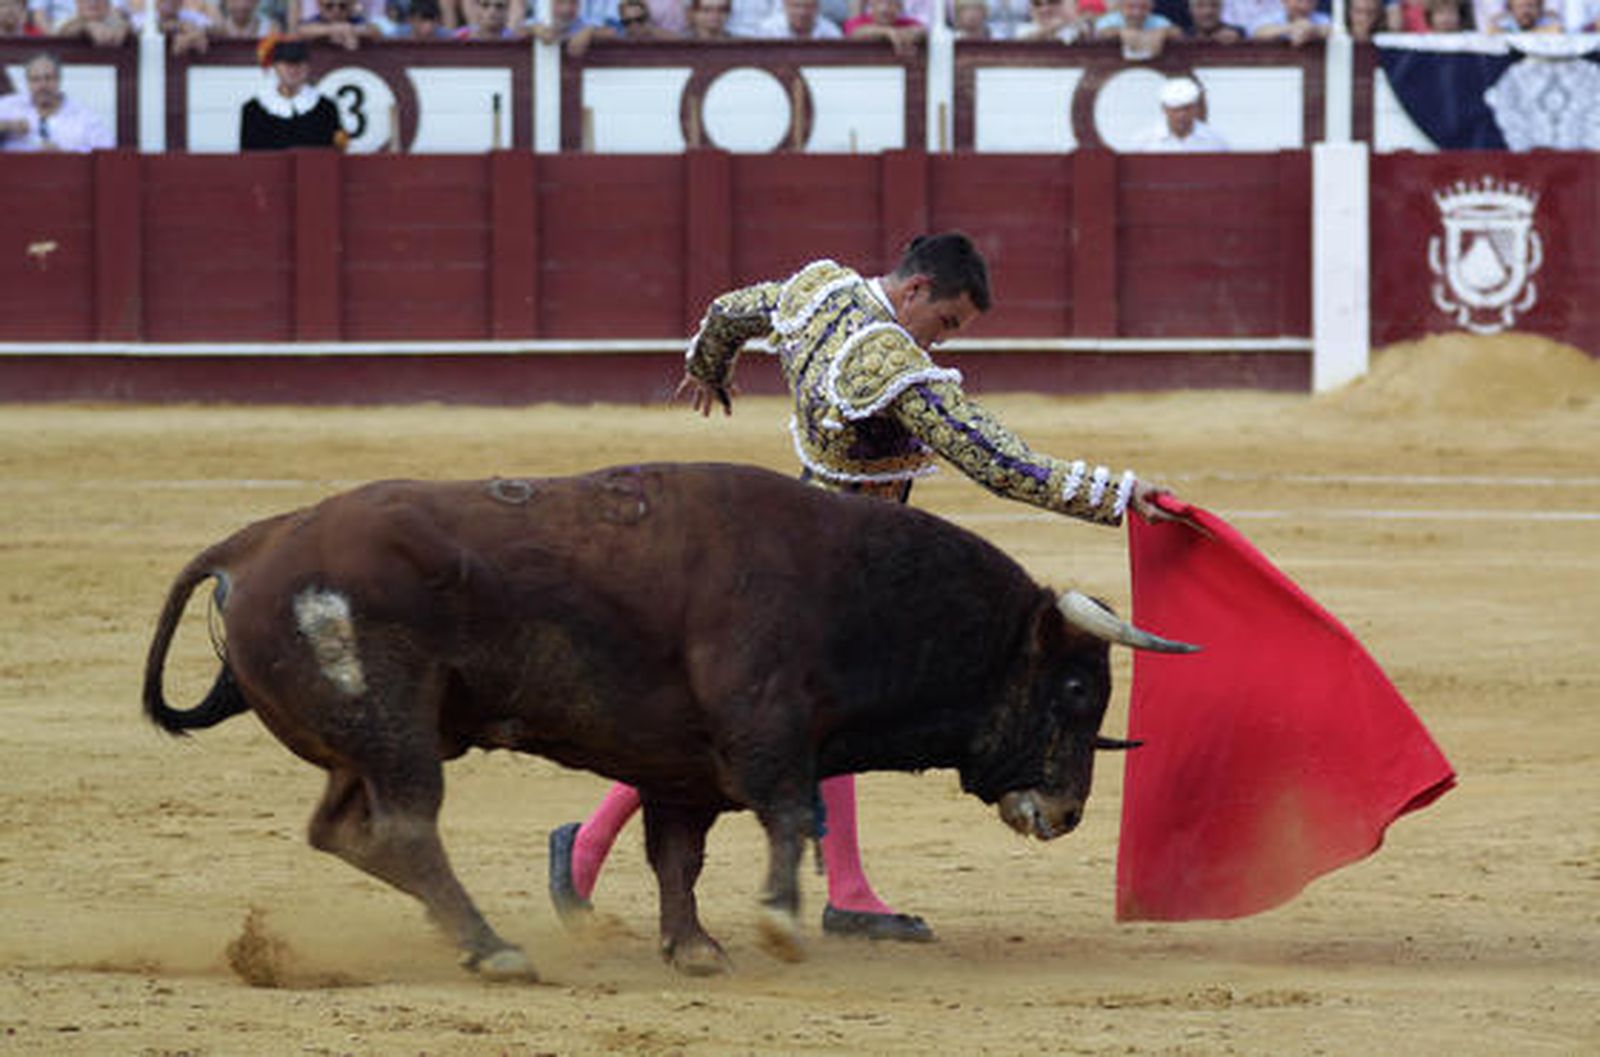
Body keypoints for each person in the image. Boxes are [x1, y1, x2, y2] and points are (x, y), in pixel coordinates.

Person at [547, 232, 1187, 944]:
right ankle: (588, 846)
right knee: (733, 717)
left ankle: (840, 887)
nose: (941, 345)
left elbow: (731, 310)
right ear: (915, 290)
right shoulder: (885, 359)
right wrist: (1116, 493)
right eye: (945, 323)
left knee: (806, 710)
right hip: (840, 566)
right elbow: (994, 457)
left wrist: (709, 366)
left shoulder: (817, 289)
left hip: (801, 543)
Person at [239, 36, 347, 149]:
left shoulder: (326, 108)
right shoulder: (254, 110)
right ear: (276, 67)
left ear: (307, 68)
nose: (293, 70)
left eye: (299, 64)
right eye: (287, 64)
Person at [0, 51, 112, 151]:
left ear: (59, 80)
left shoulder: (84, 119)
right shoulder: (8, 106)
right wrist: (7, 125)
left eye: (48, 78)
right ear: (27, 82)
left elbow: (107, 155)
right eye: (35, 79)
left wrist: (63, 156)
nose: (42, 85)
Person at [1131, 75, 1228, 151]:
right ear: (1164, 109)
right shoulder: (1144, 142)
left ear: (1195, 109)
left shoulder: (1215, 141)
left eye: (1186, 108)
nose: (1181, 115)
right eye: (1175, 110)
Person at [1092, 0, 1179, 58]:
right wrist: (1120, 32)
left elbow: (1177, 32)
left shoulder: (1157, 20)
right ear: (1122, 6)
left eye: (1143, 7)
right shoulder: (1109, 20)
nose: (1137, 13)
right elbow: (1098, 33)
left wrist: (1162, 33)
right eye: (1131, 7)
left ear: (1151, 8)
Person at [844, 0, 924, 57]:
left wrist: (914, 33)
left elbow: (925, 31)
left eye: (891, 3)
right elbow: (854, 33)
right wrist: (887, 32)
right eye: (880, 2)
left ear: (899, 7)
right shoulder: (858, 22)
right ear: (871, 3)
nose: (885, 8)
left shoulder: (906, 23)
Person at [297, 0, 382, 47]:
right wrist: (334, 30)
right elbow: (301, 31)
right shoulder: (314, 21)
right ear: (320, 5)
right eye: (329, 6)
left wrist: (351, 30)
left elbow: (375, 31)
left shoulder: (356, 20)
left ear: (351, 6)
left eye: (342, 6)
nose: (336, 10)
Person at [51, 0, 129, 45]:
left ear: (107, 3)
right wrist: (86, 27)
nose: (93, 2)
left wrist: (121, 27)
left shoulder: (115, 22)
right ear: (77, 2)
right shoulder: (64, 20)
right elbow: (63, 31)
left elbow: (124, 27)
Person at [1250, 0, 1330, 42]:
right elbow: (1258, 33)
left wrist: (1314, 30)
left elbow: (1334, 31)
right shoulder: (1271, 16)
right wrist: (1291, 28)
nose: (1304, 6)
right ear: (1284, 0)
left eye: (1310, 1)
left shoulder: (1321, 19)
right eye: (1300, 0)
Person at [755, 0, 842, 35]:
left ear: (817, 8)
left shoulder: (830, 31)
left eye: (808, 7)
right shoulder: (768, 30)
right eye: (796, 6)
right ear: (785, 6)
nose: (802, 12)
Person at [453, 0, 519, 35]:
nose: (492, 11)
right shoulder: (461, 36)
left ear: (507, 12)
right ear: (477, 9)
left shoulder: (514, 40)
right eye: (485, 5)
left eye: (499, 6)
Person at [1486, 0, 1560, 29]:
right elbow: (1491, 31)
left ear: (1539, 9)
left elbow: (1556, 30)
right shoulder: (1505, 22)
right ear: (1511, 9)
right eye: (1520, 7)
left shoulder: (1546, 21)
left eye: (1530, 6)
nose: (1526, 12)